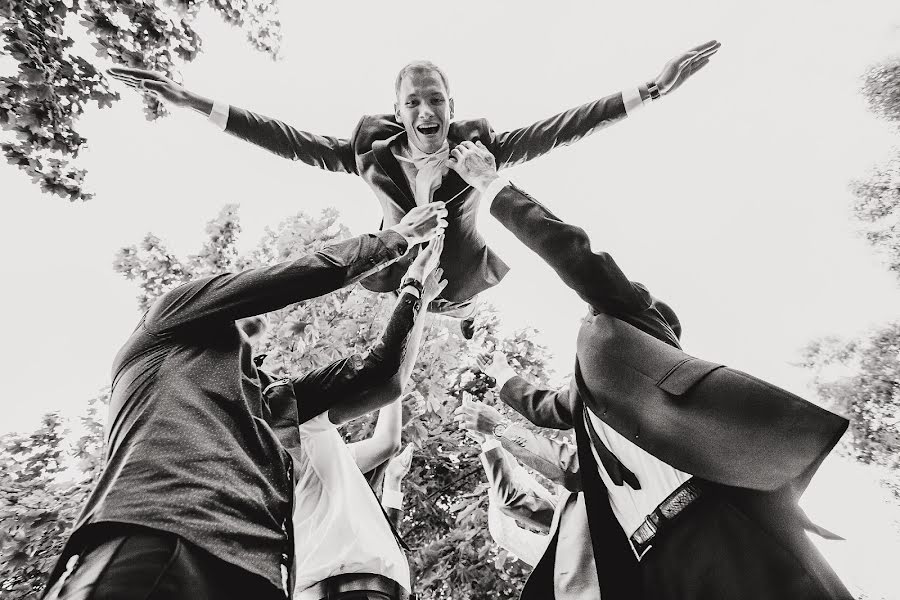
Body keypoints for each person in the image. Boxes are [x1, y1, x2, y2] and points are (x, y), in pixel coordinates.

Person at [445, 140, 853, 600]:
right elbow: (549, 409)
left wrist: (490, 185)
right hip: (650, 566)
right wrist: (503, 378)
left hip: (716, 527)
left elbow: (575, 256)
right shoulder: (594, 401)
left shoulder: (626, 317)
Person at [106, 40, 720, 339]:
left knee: (460, 311)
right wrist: (199, 104)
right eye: (415, 102)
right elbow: (286, 138)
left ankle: (462, 318)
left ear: (451, 106)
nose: (428, 110)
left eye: (437, 100)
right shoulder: (368, 155)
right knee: (405, 315)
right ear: (400, 112)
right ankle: (430, 312)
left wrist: (652, 89)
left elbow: (565, 126)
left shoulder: (482, 149)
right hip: (401, 268)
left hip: (462, 275)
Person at [41, 205, 446, 600]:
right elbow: (296, 277)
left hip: (260, 576)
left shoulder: (270, 397)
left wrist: (414, 288)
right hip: (157, 536)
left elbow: (381, 376)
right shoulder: (168, 322)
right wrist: (402, 236)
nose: (256, 308)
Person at [276, 250, 443, 600]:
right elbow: (390, 382)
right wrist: (415, 297)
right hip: (346, 583)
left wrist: (418, 308)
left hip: (335, 585)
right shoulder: (292, 416)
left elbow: (386, 442)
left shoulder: (307, 452)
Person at [458, 395, 604, 599]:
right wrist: (490, 440)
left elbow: (571, 468)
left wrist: (499, 430)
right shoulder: (570, 517)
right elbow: (513, 500)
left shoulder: (604, 486)